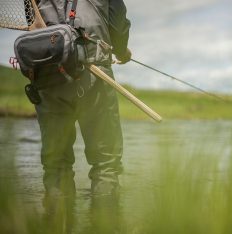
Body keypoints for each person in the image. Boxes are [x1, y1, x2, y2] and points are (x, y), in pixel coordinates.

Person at [33, 0, 131, 229]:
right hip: (95, 74)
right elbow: (117, 25)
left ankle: (56, 225)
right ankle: (105, 226)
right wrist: (122, 50)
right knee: (105, 163)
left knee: (56, 164)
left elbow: (33, 26)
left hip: (49, 78)